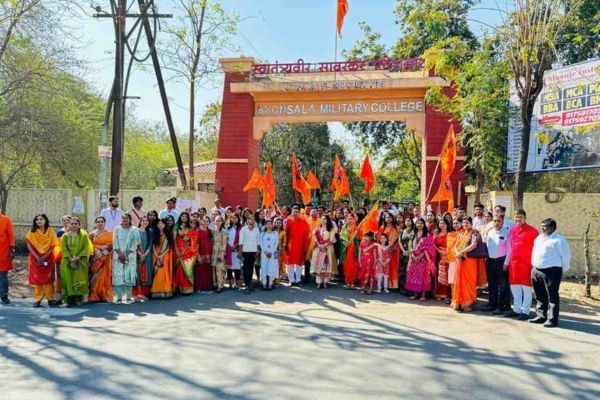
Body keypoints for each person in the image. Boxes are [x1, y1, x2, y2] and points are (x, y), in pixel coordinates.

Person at [530, 218, 571, 327]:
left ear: (552, 228)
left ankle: (552, 319)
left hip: (552, 271)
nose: (542, 228)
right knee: (539, 295)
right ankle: (541, 316)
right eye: (541, 225)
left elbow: (566, 256)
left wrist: (562, 269)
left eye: (544, 226)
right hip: (536, 270)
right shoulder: (539, 238)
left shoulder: (559, 240)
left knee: (552, 295)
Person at [505, 209, 539, 319]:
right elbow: (510, 247)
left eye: (520, 217)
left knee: (527, 289)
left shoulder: (533, 231)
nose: (518, 219)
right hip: (514, 264)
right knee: (515, 287)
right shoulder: (512, 230)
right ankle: (516, 309)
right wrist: (507, 262)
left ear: (525, 218)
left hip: (527, 264)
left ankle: (525, 311)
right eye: (516, 217)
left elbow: (538, 249)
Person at [25, 213, 60, 307]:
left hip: (48, 258)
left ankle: (50, 299)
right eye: (37, 220)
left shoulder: (50, 231)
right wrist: (37, 257)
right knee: (37, 279)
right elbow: (29, 245)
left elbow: (53, 245)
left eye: (41, 219)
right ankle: (38, 299)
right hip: (35, 258)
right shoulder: (32, 231)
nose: (39, 221)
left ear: (45, 221)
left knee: (49, 279)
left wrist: (45, 256)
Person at [59, 217, 93, 307]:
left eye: (76, 224)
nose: (74, 225)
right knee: (67, 279)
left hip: (80, 261)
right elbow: (64, 248)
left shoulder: (83, 235)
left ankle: (78, 298)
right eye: (72, 223)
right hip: (67, 261)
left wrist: (77, 258)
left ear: (79, 225)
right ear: (69, 225)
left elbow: (86, 248)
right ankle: (66, 300)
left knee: (79, 279)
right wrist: (70, 258)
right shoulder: (65, 236)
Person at [452, 217, 482, 312]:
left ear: (471, 223)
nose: (465, 224)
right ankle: (458, 303)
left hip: (470, 261)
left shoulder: (475, 232)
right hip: (460, 260)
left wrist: (462, 252)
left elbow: (474, 245)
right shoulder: (461, 233)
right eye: (464, 222)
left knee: (469, 281)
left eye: (467, 223)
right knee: (459, 280)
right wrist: (457, 253)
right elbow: (455, 246)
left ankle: (467, 303)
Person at [484, 214, 511, 315]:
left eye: (499, 221)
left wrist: (506, 263)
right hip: (490, 261)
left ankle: (501, 306)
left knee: (503, 286)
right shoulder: (490, 232)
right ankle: (492, 304)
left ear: (503, 222)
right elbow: (486, 245)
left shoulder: (507, 232)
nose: (496, 223)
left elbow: (509, 250)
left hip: (501, 262)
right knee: (492, 284)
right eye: (494, 221)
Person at [111, 214, 141, 304]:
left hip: (130, 255)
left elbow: (137, 242)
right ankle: (119, 297)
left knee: (129, 275)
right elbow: (115, 242)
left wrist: (126, 254)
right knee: (118, 275)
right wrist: (120, 254)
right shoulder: (117, 229)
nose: (124, 220)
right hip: (118, 255)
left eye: (126, 218)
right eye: (123, 218)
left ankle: (128, 297)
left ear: (130, 219)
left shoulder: (134, 229)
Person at [405, 218, 436, 301]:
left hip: (423, 259)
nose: (419, 224)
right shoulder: (413, 234)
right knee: (414, 276)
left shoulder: (427, 235)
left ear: (424, 225)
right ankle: (415, 294)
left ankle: (423, 295)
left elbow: (430, 248)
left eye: (421, 223)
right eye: (418, 223)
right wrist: (413, 256)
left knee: (424, 277)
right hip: (413, 258)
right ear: (415, 224)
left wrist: (421, 255)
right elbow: (410, 246)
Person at [88, 216, 114, 303]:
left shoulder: (109, 233)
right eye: (98, 222)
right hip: (95, 257)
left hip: (105, 256)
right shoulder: (92, 234)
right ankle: (94, 295)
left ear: (104, 223)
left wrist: (104, 248)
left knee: (104, 275)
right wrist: (99, 247)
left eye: (102, 221)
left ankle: (104, 295)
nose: (100, 223)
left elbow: (112, 245)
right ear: (96, 223)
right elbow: (89, 245)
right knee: (95, 275)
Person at [172, 212, 198, 295]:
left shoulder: (189, 227)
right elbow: (174, 239)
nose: (184, 218)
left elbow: (194, 238)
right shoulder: (176, 226)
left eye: (186, 217)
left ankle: (187, 288)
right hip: (178, 250)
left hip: (187, 251)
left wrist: (189, 239)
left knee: (187, 269)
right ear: (180, 217)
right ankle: (178, 288)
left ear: (188, 218)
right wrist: (176, 250)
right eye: (182, 216)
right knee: (179, 269)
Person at [284, 206, 310, 287]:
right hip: (290, 246)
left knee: (299, 264)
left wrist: (306, 246)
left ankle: (298, 280)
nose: (295, 213)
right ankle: (291, 280)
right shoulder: (288, 221)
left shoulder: (304, 222)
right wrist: (285, 244)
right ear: (291, 212)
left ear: (299, 213)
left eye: (296, 212)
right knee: (290, 264)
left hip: (301, 246)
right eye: (294, 212)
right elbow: (285, 234)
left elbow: (307, 235)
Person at [150, 218, 174, 298]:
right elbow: (153, 246)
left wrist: (161, 255)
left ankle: (166, 291)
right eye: (158, 224)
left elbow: (168, 247)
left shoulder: (168, 234)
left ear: (165, 225)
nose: (160, 225)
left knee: (164, 273)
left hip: (165, 256)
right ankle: (156, 292)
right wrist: (157, 256)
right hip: (155, 256)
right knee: (157, 273)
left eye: (162, 224)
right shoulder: (154, 234)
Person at [377, 212, 401, 289]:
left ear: (392, 218)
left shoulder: (397, 227)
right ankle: (384, 285)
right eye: (387, 217)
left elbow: (399, 239)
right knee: (384, 266)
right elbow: (379, 239)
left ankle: (393, 285)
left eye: (390, 217)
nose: (388, 219)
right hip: (384, 249)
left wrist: (394, 247)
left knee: (393, 266)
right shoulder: (382, 227)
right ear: (384, 218)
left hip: (394, 249)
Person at [312, 215, 335, 289]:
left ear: (327, 220)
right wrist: (318, 244)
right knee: (319, 265)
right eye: (322, 219)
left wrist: (324, 245)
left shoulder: (331, 229)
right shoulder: (317, 228)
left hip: (327, 248)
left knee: (326, 265)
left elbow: (331, 240)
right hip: (319, 248)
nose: (323, 220)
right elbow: (314, 236)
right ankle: (318, 282)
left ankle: (325, 282)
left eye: (324, 219)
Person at [134, 215, 153, 301]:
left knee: (146, 274)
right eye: (143, 220)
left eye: (146, 221)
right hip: (137, 255)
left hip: (147, 256)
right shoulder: (135, 231)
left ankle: (144, 294)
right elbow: (134, 244)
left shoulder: (150, 231)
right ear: (140, 222)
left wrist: (145, 254)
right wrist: (140, 254)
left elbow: (150, 244)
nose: (145, 222)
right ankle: (135, 295)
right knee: (137, 274)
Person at [239, 217, 260, 294]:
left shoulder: (256, 230)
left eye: (253, 219)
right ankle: (246, 285)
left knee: (251, 268)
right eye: (250, 219)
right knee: (245, 269)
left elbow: (258, 241)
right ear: (247, 220)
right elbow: (240, 241)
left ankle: (250, 283)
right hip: (245, 251)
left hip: (253, 251)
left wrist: (257, 250)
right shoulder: (243, 229)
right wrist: (240, 251)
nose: (252, 220)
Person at [434, 219, 452, 301]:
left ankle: (448, 295)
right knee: (440, 275)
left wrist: (446, 252)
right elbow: (433, 245)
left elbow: (453, 245)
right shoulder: (437, 235)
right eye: (440, 223)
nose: (442, 224)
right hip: (439, 256)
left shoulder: (450, 234)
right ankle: (440, 293)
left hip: (448, 255)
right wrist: (440, 251)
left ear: (447, 225)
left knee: (448, 274)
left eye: (444, 223)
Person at [341, 215, 359, 289]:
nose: (350, 220)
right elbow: (341, 238)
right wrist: (344, 242)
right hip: (346, 249)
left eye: (351, 218)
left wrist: (355, 241)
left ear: (354, 219)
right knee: (346, 266)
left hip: (354, 249)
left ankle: (352, 282)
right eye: (349, 218)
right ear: (346, 219)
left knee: (354, 266)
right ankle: (347, 282)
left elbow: (359, 239)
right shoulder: (344, 228)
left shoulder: (356, 228)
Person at [211, 215, 228, 293]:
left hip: (220, 252)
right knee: (214, 269)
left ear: (222, 222)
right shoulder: (213, 230)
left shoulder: (223, 232)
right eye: (216, 221)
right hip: (213, 252)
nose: (217, 222)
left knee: (220, 269)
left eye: (219, 221)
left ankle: (220, 286)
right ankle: (216, 284)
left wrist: (222, 254)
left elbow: (224, 243)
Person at [260, 219, 278, 290]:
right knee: (264, 268)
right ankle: (264, 284)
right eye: (267, 224)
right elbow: (261, 243)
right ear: (265, 225)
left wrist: (271, 252)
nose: (269, 225)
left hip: (272, 253)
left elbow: (276, 243)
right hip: (264, 253)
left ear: (272, 225)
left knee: (271, 268)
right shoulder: (263, 233)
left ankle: (270, 283)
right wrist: (265, 252)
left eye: (270, 224)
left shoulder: (275, 233)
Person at [398, 217, 415, 295]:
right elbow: (399, 242)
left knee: (409, 271)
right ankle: (402, 289)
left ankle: (409, 289)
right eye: (406, 221)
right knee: (402, 271)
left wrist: (409, 251)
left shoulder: (414, 231)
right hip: (403, 253)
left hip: (411, 253)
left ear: (412, 222)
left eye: (409, 221)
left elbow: (415, 242)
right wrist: (403, 251)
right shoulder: (402, 231)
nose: (408, 222)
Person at [225, 214, 242, 289]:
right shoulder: (228, 228)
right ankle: (230, 283)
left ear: (238, 219)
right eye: (232, 218)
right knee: (229, 267)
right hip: (229, 250)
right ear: (230, 219)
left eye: (236, 218)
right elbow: (225, 238)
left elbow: (242, 239)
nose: (234, 219)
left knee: (237, 266)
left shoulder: (241, 228)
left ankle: (237, 282)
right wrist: (229, 246)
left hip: (237, 250)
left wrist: (236, 245)